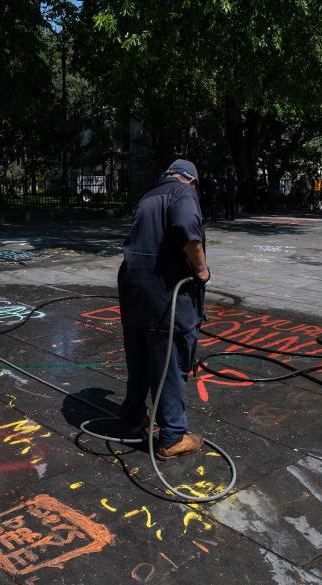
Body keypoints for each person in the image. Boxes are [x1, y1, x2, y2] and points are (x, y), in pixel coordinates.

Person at [117, 159, 209, 460]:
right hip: (164, 294)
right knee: (170, 363)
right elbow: (186, 229)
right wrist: (201, 270)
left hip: (134, 291)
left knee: (140, 360)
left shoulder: (150, 194)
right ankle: (172, 436)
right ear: (191, 180)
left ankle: (132, 419)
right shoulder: (182, 194)